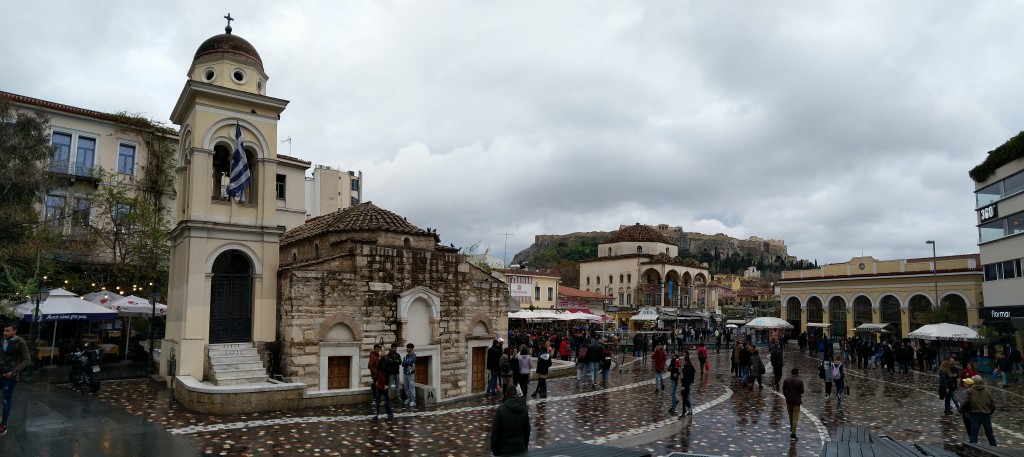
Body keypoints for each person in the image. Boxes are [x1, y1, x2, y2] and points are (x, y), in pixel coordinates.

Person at [0, 323, 30, 436]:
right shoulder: (3, 339)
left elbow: (27, 359)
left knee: (6, 399)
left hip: (10, 375)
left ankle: (3, 426)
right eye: (4, 330)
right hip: (0, 373)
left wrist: (14, 372)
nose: (5, 332)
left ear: (14, 331)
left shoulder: (21, 342)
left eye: (8, 330)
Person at [490, 383, 530, 456]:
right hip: (520, 448)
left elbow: (495, 432)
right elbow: (527, 430)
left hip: (504, 450)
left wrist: (494, 450)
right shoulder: (524, 408)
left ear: (506, 394)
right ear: (516, 393)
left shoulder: (501, 409)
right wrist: (525, 445)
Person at [963, 375, 997, 446]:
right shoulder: (987, 391)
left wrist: (962, 410)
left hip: (975, 415)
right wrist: (991, 412)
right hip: (986, 415)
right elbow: (992, 404)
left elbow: (965, 402)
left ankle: (972, 449)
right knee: (990, 434)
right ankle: (995, 449)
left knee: (974, 434)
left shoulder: (970, 391)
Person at [372, 345, 394, 421]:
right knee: (377, 399)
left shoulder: (387, 361)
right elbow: (378, 372)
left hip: (385, 384)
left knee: (387, 400)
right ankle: (377, 415)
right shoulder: (379, 361)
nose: (380, 352)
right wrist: (377, 381)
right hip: (380, 383)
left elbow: (388, 374)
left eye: (382, 351)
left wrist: (387, 384)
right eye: (380, 351)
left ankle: (390, 415)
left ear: (385, 352)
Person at [782, 368, 804, 441]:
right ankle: (793, 433)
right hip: (797, 401)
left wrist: (786, 396)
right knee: (795, 417)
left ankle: (792, 428)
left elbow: (783, 389)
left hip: (789, 400)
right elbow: (802, 391)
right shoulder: (800, 381)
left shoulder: (786, 380)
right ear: (797, 373)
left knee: (790, 416)